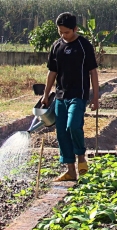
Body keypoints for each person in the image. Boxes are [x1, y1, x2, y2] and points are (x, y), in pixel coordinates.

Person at [41, 12, 99, 181]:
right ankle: (70, 171)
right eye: (60, 32)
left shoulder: (84, 45)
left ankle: (81, 157)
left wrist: (95, 97)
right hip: (60, 96)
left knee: (73, 126)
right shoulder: (56, 46)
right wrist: (46, 94)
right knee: (62, 133)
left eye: (66, 32)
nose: (63, 35)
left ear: (75, 29)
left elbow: (93, 72)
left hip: (78, 95)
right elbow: (52, 72)